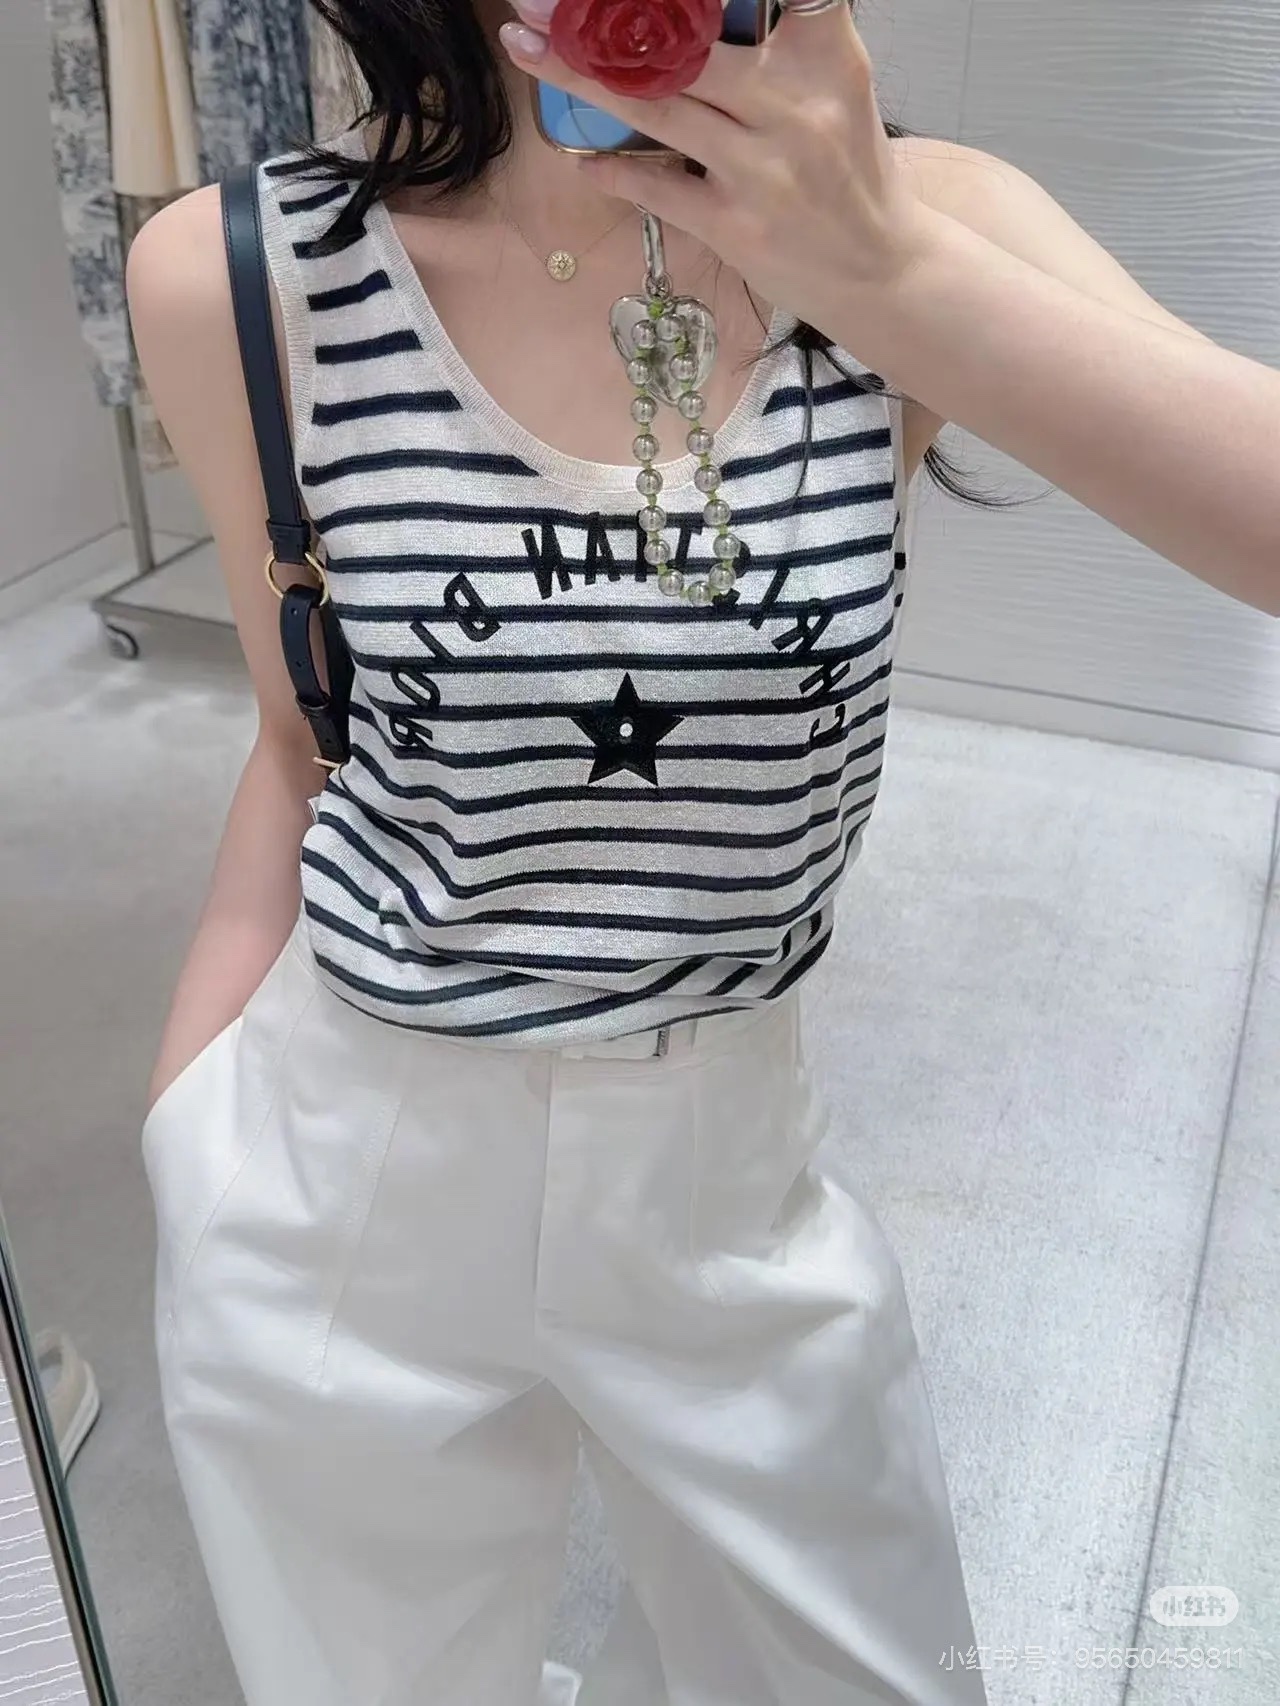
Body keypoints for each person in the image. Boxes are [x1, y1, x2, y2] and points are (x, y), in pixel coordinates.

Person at [124, 0, 1279, 1702]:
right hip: (342, 1168)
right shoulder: (243, 275)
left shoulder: (913, 225)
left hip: (724, 1166)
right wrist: (191, 1128)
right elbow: (307, 738)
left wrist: (883, 269)